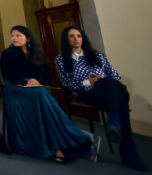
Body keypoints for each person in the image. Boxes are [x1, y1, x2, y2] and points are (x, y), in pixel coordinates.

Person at [55, 26, 148, 171]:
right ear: (66, 40)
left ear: (83, 38)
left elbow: (116, 76)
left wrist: (102, 79)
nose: (76, 39)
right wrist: (88, 82)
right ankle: (129, 155)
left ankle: (113, 117)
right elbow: (67, 84)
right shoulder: (61, 60)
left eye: (79, 36)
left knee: (111, 84)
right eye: (71, 36)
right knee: (121, 98)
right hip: (85, 93)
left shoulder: (97, 56)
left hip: (107, 91)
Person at [0, 25, 92, 163]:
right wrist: (27, 82)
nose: (14, 38)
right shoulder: (8, 54)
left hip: (37, 88)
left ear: (27, 38)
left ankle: (62, 145)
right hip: (16, 88)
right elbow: (8, 75)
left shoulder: (38, 54)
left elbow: (47, 76)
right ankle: (67, 141)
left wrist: (38, 82)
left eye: (18, 35)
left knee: (42, 95)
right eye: (12, 35)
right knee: (44, 98)